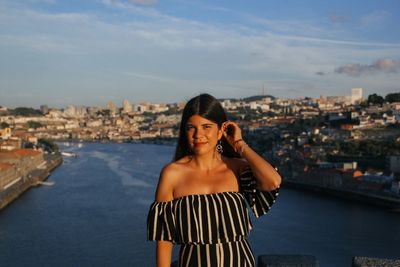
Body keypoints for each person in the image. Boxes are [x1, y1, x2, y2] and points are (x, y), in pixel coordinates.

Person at [147, 93, 281, 267]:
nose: (198, 134)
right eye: (191, 128)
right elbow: (164, 239)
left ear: (221, 131)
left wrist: (239, 144)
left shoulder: (237, 168)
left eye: (206, 126)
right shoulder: (172, 174)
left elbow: (273, 182)